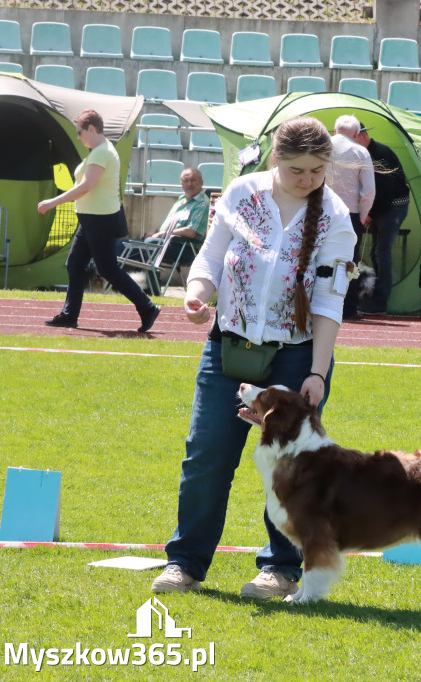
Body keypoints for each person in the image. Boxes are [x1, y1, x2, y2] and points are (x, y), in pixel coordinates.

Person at [150, 117, 356, 598]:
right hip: (228, 349)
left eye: (316, 170)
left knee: (290, 467)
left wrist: (317, 373)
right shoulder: (242, 193)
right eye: (296, 169)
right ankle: (185, 564)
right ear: (274, 160)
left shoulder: (337, 218)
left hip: (297, 356)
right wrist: (197, 296)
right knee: (206, 456)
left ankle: (280, 569)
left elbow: (329, 301)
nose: (307, 179)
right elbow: (209, 259)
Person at [37, 109, 160, 332]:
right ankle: (69, 315)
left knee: (108, 269)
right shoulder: (98, 151)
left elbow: (86, 186)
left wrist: (53, 202)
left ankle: (147, 307)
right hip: (91, 220)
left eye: (80, 132)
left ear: (91, 129)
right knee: (75, 264)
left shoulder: (102, 152)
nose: (78, 137)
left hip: (100, 220)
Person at [348, 122, 409, 314]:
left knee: (382, 252)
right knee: (377, 252)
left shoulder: (379, 154)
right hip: (384, 208)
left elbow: (384, 190)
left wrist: (368, 214)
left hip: (393, 207)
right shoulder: (367, 154)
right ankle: (375, 298)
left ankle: (380, 302)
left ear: (362, 136)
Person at [328, 114, 376, 319]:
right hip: (350, 214)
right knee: (350, 262)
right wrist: (364, 215)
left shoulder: (322, 147)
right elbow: (369, 190)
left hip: (322, 210)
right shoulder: (361, 152)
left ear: (334, 130)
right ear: (356, 134)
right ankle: (347, 309)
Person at [124, 167, 209, 266]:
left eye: (193, 180)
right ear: (181, 184)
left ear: (201, 182)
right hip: (166, 241)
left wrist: (162, 234)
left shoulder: (203, 203)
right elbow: (170, 224)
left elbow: (191, 232)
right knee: (123, 244)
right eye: (185, 181)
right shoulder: (181, 200)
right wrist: (156, 231)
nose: (189, 184)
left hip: (186, 248)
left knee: (150, 243)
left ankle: (152, 280)